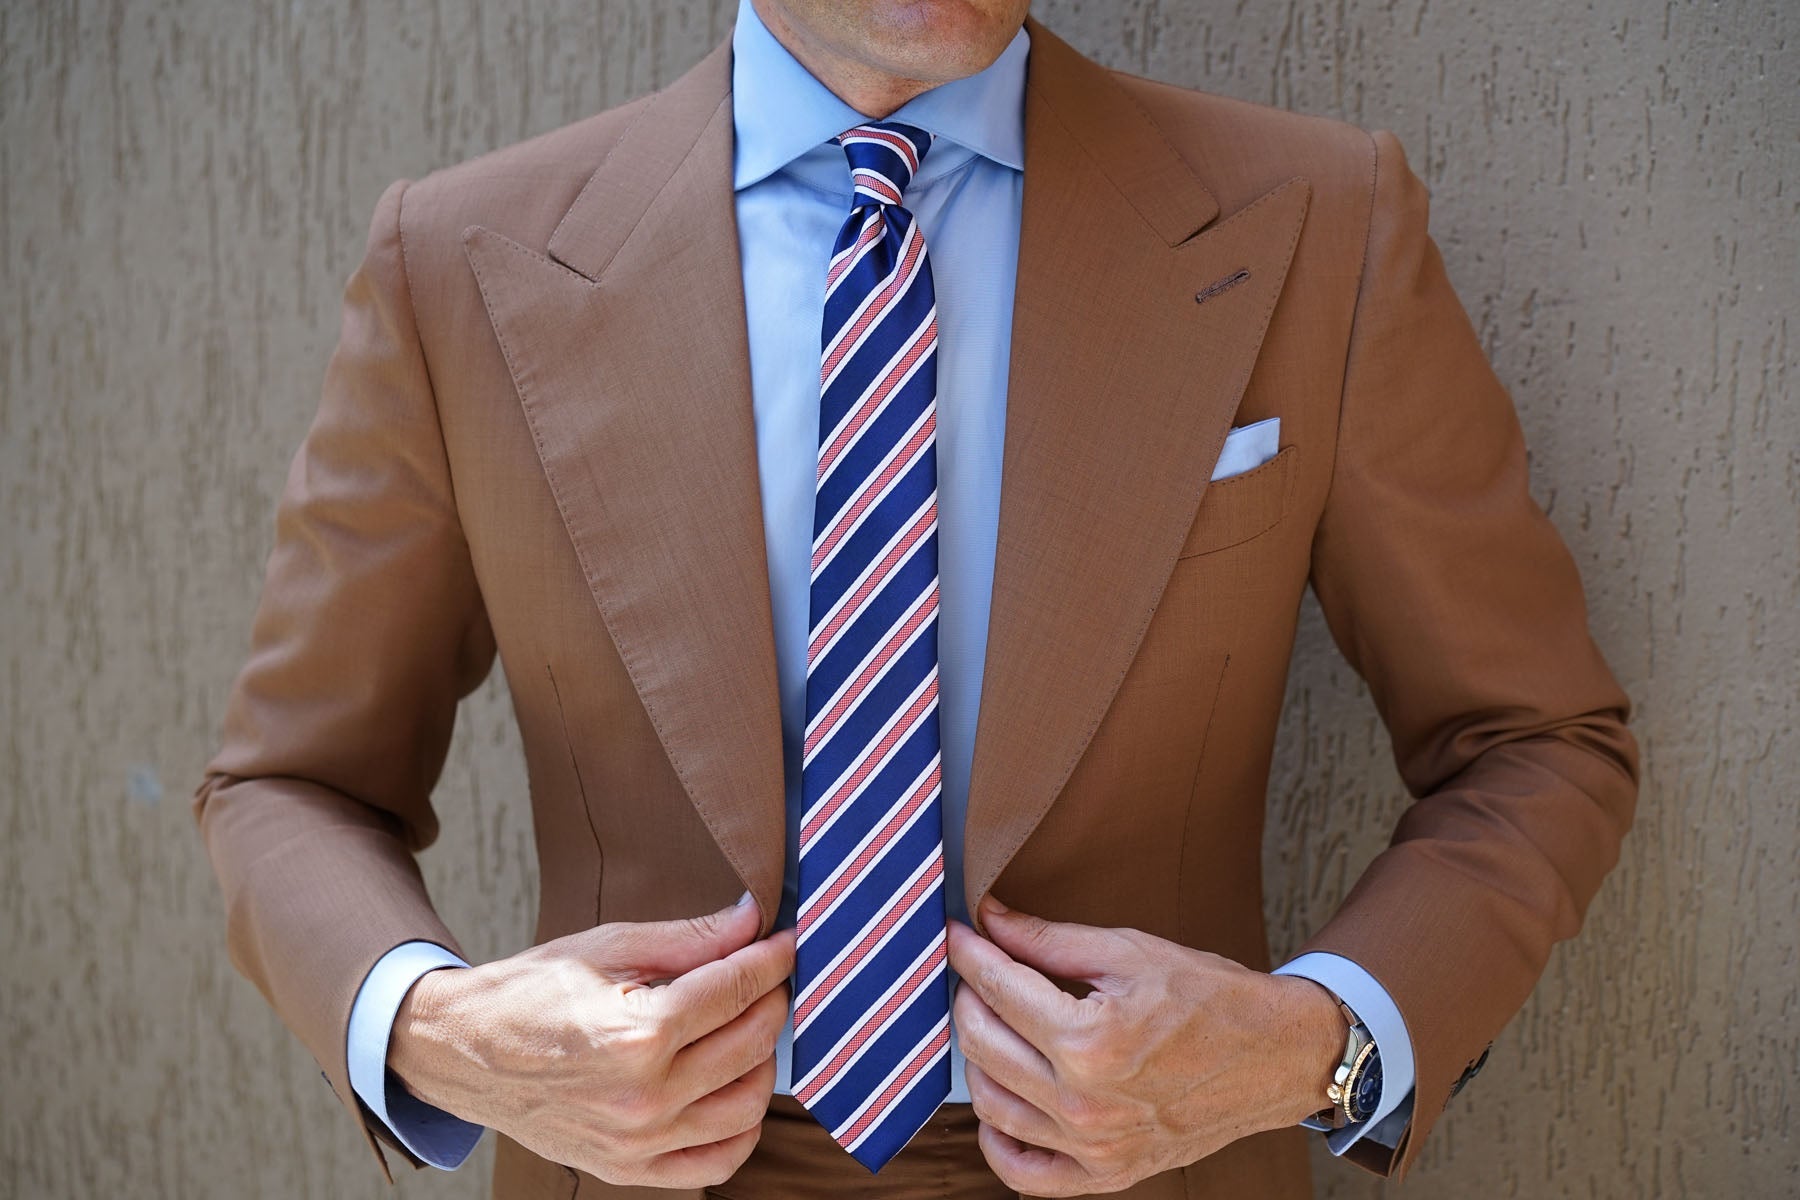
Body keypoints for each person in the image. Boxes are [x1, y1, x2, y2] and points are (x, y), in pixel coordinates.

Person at [193, 0, 1639, 1196]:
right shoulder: (458, 263)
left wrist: (1312, 1044)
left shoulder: (1321, 221)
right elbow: (292, 784)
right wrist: (439, 1034)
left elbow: (1534, 743)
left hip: (1156, 1173)